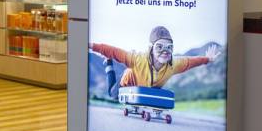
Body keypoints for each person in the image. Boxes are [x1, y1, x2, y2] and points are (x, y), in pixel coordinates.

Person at [89, 26, 221, 89]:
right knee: (112, 94)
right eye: (159, 47)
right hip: (128, 82)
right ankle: (108, 65)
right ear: (151, 48)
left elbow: (190, 62)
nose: (165, 51)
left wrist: (207, 59)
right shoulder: (138, 59)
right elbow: (114, 51)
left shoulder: (174, 64)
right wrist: (92, 46)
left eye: (169, 47)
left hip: (145, 91)